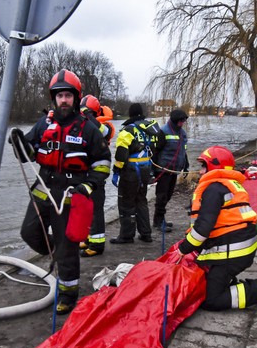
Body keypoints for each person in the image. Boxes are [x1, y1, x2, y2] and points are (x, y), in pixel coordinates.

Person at [11, 69, 111, 315]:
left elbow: (102, 163)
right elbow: (29, 155)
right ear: (53, 98)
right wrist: (19, 143)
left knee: (68, 247)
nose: (63, 100)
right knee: (29, 232)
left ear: (76, 98)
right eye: (59, 96)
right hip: (44, 188)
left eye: (68, 95)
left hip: (70, 193)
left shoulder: (89, 128)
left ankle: (68, 293)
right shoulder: (44, 124)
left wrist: (88, 186)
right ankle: (58, 252)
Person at [172, 146, 257, 310]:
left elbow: (203, 228)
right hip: (242, 246)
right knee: (212, 281)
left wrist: (183, 248)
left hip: (233, 251)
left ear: (214, 167)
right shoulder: (230, 185)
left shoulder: (213, 189)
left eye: (203, 166)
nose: (200, 172)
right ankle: (228, 281)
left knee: (211, 300)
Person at [110, 103, 163, 244]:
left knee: (126, 203)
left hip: (131, 171)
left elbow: (121, 154)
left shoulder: (128, 130)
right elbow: (155, 149)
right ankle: (146, 234)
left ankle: (126, 236)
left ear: (131, 114)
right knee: (141, 200)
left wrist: (116, 171)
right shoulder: (150, 129)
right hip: (145, 169)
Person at [78, 96, 115, 257]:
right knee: (85, 208)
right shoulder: (86, 123)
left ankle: (97, 244)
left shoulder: (106, 125)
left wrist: (88, 116)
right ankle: (88, 238)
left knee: (95, 209)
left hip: (97, 173)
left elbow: (102, 132)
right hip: (86, 172)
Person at [152, 108, 190, 232]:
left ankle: (161, 218)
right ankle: (158, 221)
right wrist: (153, 170)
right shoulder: (163, 132)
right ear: (175, 121)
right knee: (162, 196)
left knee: (168, 195)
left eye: (184, 121)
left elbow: (183, 151)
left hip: (175, 170)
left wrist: (186, 165)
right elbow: (156, 151)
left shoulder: (183, 133)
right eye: (180, 121)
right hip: (163, 169)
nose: (182, 123)